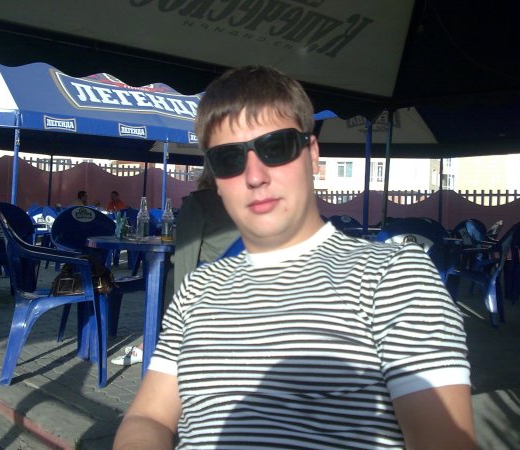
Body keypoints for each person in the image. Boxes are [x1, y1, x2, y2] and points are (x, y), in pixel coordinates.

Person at [113, 66, 475, 449]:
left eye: (276, 147)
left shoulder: (395, 277)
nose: (254, 175)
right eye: (229, 158)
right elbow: (149, 417)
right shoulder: (197, 288)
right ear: (215, 179)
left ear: (313, 154)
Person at [110, 165, 239, 366]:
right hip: (243, 281)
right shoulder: (247, 203)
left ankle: (155, 345)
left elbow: (185, 256)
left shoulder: (199, 202)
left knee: (166, 275)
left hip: (211, 287)